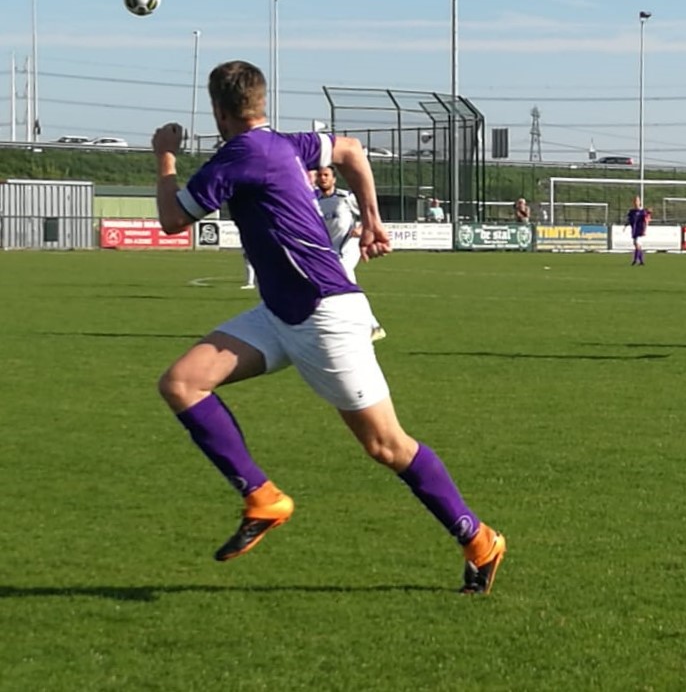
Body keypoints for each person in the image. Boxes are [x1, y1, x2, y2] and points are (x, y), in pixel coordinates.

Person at [150, 60, 505, 594]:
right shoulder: (288, 143)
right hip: (279, 312)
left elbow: (173, 219)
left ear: (219, 111)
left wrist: (165, 157)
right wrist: (373, 218)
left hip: (325, 316)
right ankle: (262, 497)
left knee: (387, 445)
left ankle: (479, 539)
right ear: (261, 104)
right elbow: (352, 150)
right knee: (182, 382)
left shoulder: (237, 158)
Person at [316, 165, 386, 340]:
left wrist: (363, 228)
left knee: (344, 278)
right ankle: (358, 323)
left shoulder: (345, 198)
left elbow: (369, 213)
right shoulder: (313, 200)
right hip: (330, 250)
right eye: (320, 175)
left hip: (349, 245)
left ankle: (373, 326)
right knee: (339, 284)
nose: (323, 178)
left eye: (326, 175)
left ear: (333, 179)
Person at [626, 195, 650, 266]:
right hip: (634, 230)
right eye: (635, 201)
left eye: (637, 201)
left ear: (640, 202)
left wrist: (645, 230)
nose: (636, 202)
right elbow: (629, 221)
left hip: (640, 230)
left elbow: (646, 221)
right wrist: (625, 225)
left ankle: (635, 260)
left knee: (636, 244)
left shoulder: (642, 212)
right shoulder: (632, 212)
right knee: (636, 244)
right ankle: (641, 261)